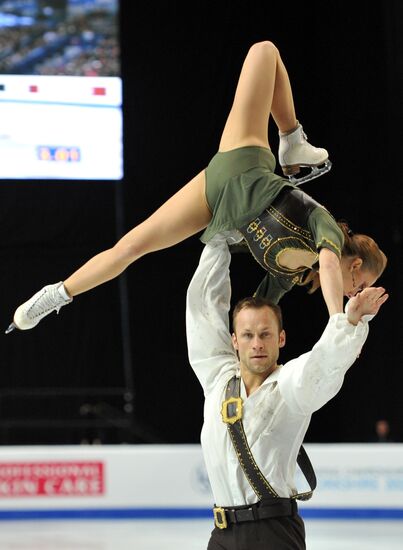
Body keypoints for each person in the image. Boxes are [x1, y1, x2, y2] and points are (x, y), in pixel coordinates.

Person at [6, 40, 386, 333]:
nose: (358, 292)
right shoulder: (329, 238)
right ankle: (291, 138)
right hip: (245, 166)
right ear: (355, 263)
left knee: (132, 247)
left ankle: (57, 293)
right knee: (264, 51)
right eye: (363, 282)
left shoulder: (292, 274)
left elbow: (258, 308)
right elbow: (330, 263)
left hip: (216, 201)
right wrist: (339, 323)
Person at [186, 234, 388, 550]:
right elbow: (203, 313)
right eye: (248, 335)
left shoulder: (290, 385)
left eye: (265, 334)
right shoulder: (217, 378)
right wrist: (218, 244)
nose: (257, 343)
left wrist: (349, 321)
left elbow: (322, 365)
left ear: (281, 339)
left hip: (273, 535)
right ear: (234, 341)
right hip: (222, 535)